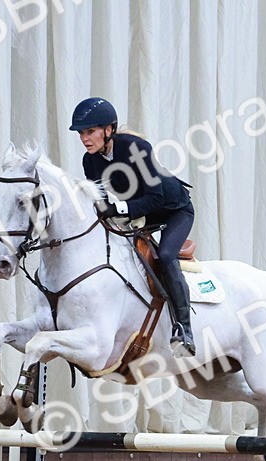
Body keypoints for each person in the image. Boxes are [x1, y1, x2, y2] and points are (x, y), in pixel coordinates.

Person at [69, 97, 196, 356]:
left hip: (174, 211)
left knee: (166, 255)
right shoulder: (89, 161)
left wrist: (118, 210)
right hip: (143, 213)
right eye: (82, 133)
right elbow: (103, 203)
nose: (84, 138)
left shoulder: (136, 148)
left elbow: (156, 198)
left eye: (90, 131)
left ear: (109, 130)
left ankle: (184, 329)